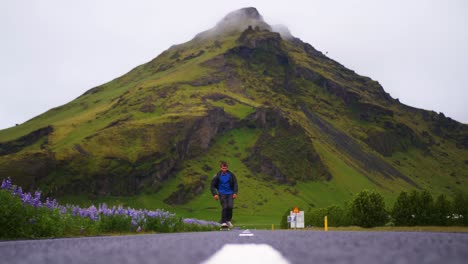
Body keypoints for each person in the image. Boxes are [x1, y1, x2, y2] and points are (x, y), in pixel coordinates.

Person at [210, 161, 238, 228]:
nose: (224, 170)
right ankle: (223, 222)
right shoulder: (217, 176)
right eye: (223, 168)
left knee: (230, 207)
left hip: (230, 193)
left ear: (227, 168)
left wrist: (235, 192)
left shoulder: (231, 175)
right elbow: (212, 185)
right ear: (220, 168)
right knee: (225, 207)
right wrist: (215, 194)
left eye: (225, 168)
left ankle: (228, 221)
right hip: (222, 193)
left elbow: (235, 184)